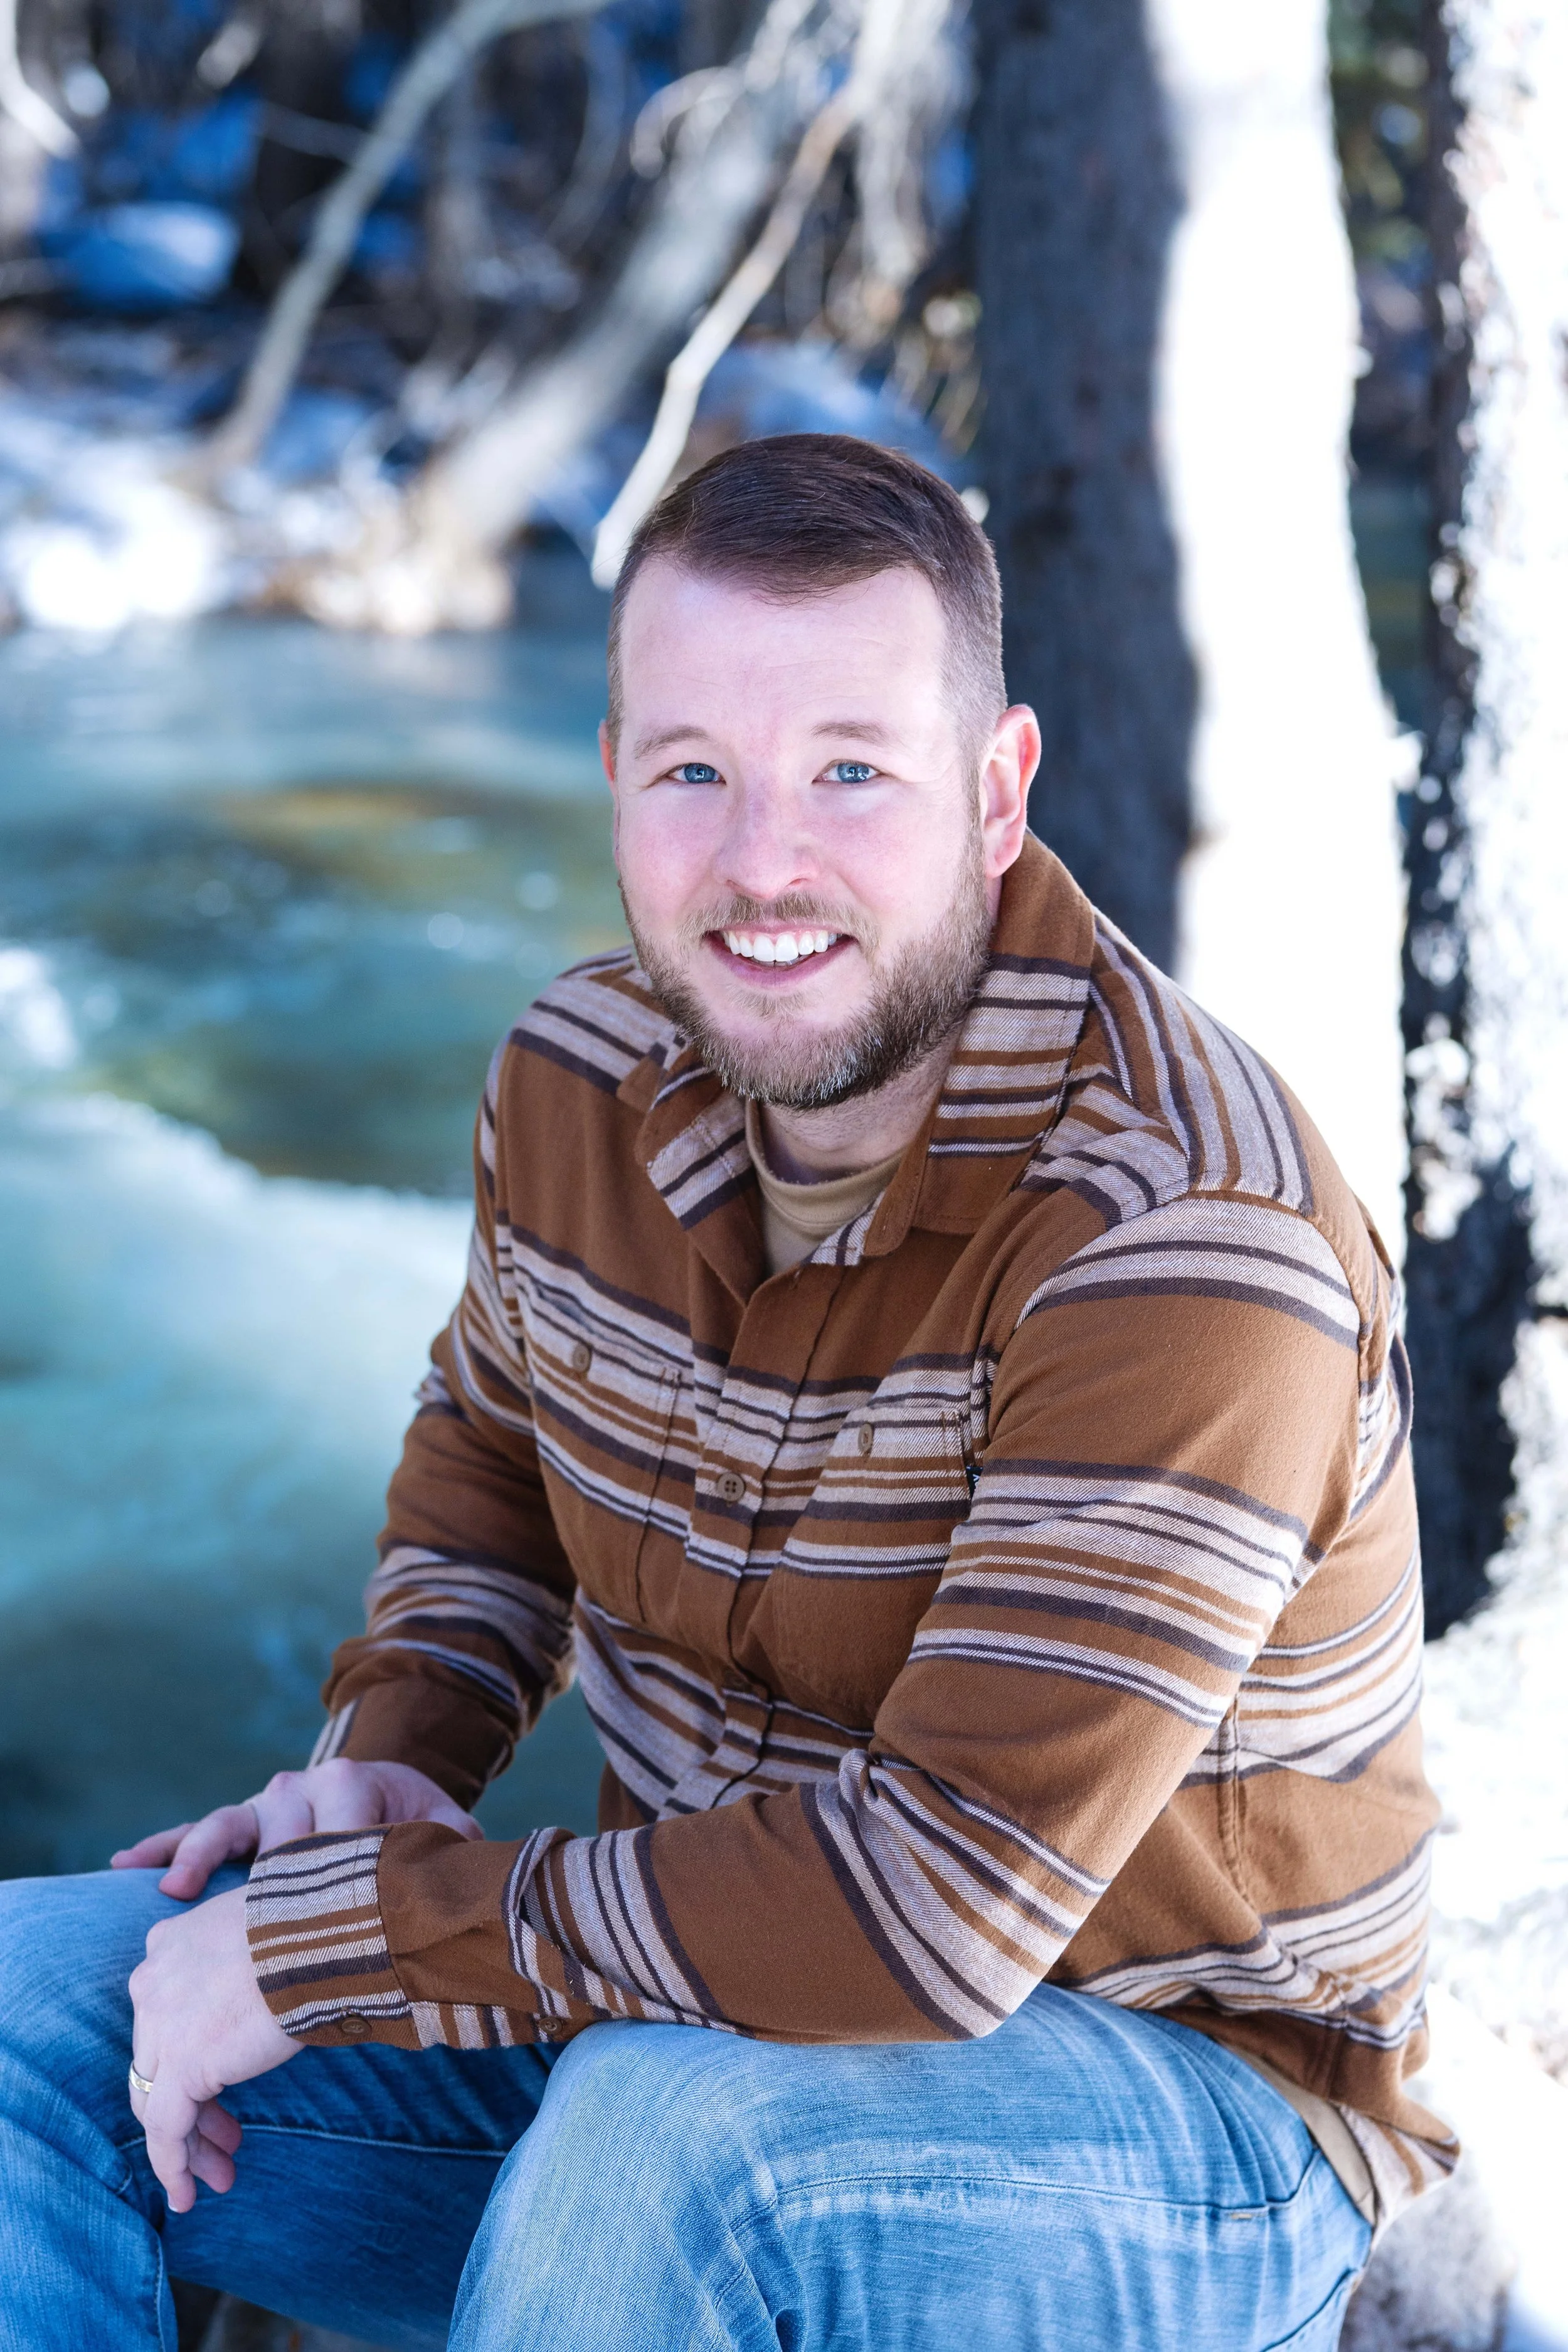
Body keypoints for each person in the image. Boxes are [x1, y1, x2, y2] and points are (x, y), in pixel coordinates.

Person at [0, 437, 1453, 2351]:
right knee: (31, 2016)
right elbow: (492, 1453)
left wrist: (357, 1937)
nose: (763, 862)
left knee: (666, 2152)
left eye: (852, 770)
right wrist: (404, 1745)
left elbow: (936, 1908)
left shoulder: (1180, 1237)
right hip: (683, 1986)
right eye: (694, 769)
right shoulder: (573, 1077)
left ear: (996, 791)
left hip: (1173, 2098)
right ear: (614, 777)